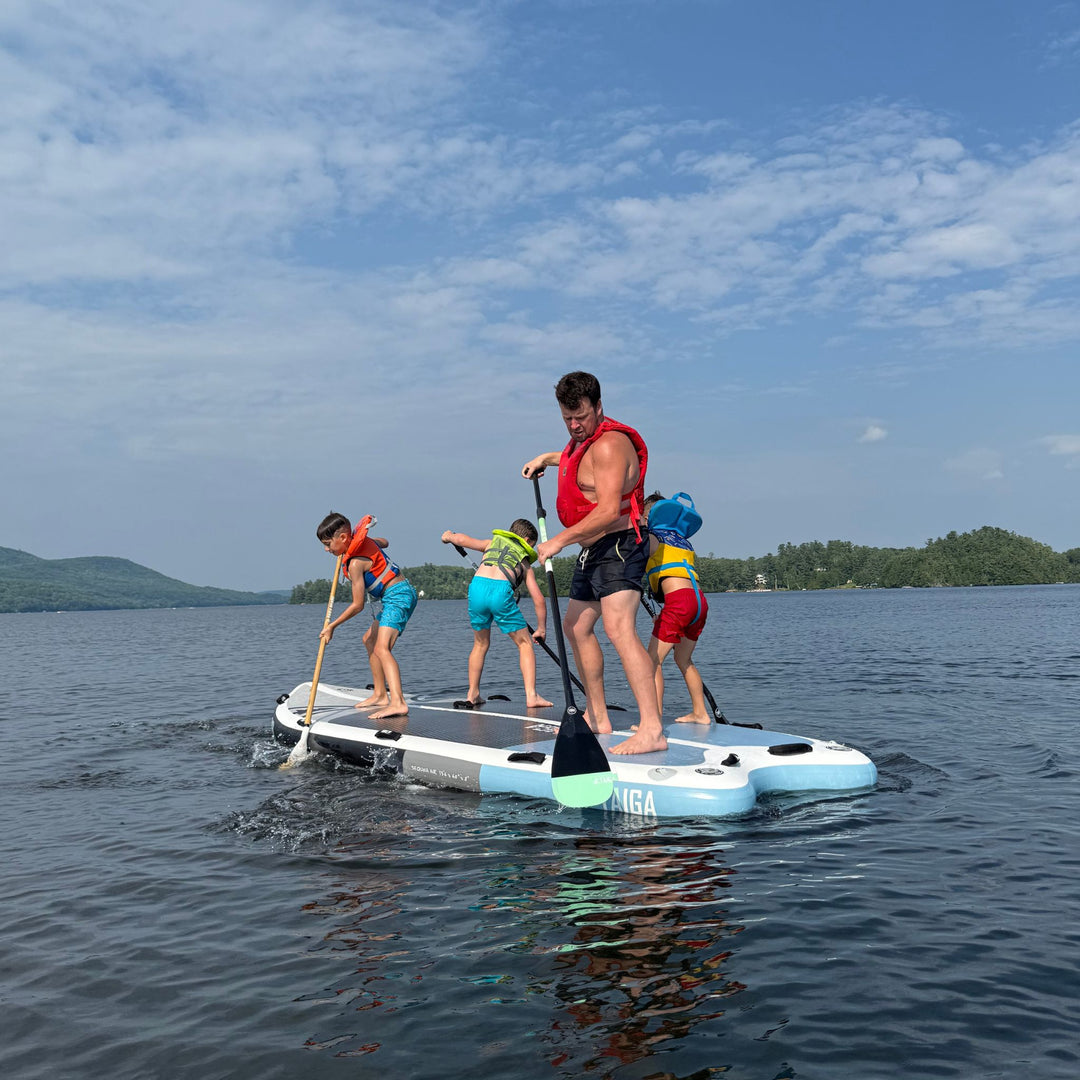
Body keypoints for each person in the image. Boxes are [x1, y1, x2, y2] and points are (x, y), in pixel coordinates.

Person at [521, 370, 665, 755]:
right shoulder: (582, 443)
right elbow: (575, 462)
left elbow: (606, 510)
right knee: (576, 626)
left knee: (619, 629)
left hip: (620, 545)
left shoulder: (611, 445)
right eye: (567, 418)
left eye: (581, 417)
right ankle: (598, 715)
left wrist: (558, 541)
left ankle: (652, 729)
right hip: (593, 550)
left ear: (598, 407)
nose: (574, 425)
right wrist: (545, 459)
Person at [440, 519, 554, 709]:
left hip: (477, 588)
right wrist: (541, 629)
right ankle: (532, 696)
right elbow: (539, 599)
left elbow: (461, 540)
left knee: (480, 644)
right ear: (526, 540)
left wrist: (448, 537)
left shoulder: (491, 544)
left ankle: (472, 694)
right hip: (500, 591)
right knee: (524, 643)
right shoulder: (524, 562)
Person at [315, 512, 418, 720]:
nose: (326, 549)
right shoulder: (364, 543)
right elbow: (385, 542)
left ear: (343, 538)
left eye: (328, 544)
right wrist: (367, 543)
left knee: (382, 648)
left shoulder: (355, 564)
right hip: (393, 597)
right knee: (369, 640)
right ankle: (380, 694)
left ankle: (398, 702)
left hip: (399, 596)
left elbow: (357, 605)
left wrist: (332, 626)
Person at [641, 491, 711, 723]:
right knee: (683, 659)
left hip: (679, 602)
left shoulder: (653, 537)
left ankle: (653, 720)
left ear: (649, 517)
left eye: (642, 517)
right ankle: (700, 713)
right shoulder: (681, 539)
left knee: (651, 662)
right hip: (698, 602)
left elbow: (633, 560)